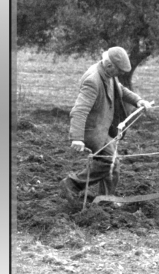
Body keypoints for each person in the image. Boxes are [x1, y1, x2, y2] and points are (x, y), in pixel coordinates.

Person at [59, 46, 153, 200]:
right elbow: (79, 110)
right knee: (108, 162)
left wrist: (139, 101)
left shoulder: (108, 74)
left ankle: (106, 199)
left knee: (112, 164)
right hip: (91, 131)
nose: (122, 74)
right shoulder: (93, 81)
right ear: (110, 65)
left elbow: (120, 89)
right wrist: (77, 138)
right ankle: (72, 184)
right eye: (120, 71)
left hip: (103, 129)